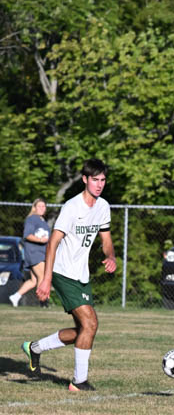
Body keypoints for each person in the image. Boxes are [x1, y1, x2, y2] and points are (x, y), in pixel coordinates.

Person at [22, 159, 116, 391]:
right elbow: (52, 243)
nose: (99, 184)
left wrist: (111, 256)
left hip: (81, 275)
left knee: (83, 331)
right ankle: (78, 382)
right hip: (62, 271)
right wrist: (46, 279)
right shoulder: (72, 207)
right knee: (91, 323)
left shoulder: (103, 206)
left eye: (103, 180)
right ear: (85, 179)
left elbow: (106, 240)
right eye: (95, 180)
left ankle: (35, 348)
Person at [9, 198, 51, 307]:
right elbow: (27, 235)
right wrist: (40, 240)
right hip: (34, 253)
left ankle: (15, 296)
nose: (42, 208)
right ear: (34, 208)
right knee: (43, 277)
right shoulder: (32, 219)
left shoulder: (42, 220)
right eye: (39, 206)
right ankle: (43, 302)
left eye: (44, 206)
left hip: (41, 253)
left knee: (33, 281)